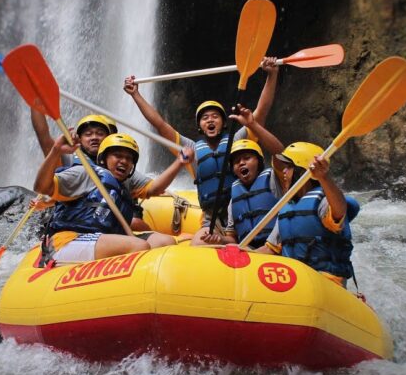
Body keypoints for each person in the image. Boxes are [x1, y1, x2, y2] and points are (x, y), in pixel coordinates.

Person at [123, 57, 283, 232]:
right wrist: (135, 95)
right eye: (205, 118)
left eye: (215, 116)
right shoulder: (190, 149)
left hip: (240, 210)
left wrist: (271, 76)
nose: (210, 120)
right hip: (210, 219)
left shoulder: (237, 140)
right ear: (200, 126)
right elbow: (160, 125)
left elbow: (260, 114)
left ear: (223, 122)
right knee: (199, 243)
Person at [34, 132, 193, 261]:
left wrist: (179, 162)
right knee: (138, 246)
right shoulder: (85, 173)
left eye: (129, 158)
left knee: (165, 242)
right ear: (103, 158)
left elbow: (155, 188)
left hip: (103, 238)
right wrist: (55, 150)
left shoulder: (125, 183)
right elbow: (42, 187)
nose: (124, 161)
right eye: (117, 155)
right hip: (67, 241)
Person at [30, 110, 152, 231]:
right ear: (80, 138)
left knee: (137, 223)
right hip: (82, 220)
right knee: (134, 223)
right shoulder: (71, 158)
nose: (95, 138)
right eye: (89, 134)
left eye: (101, 134)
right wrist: (36, 104)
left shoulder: (121, 165)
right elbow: (43, 136)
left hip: (114, 215)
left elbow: (151, 187)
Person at [260, 142, 360, 287]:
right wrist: (239, 251)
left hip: (327, 283)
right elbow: (270, 249)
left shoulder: (324, 200)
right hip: (296, 281)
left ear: (302, 172)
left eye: (288, 167)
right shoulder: (287, 209)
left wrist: (324, 178)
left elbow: (339, 211)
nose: (284, 173)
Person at [193, 106, 285, 247]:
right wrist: (220, 240)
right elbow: (232, 240)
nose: (241, 163)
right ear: (233, 170)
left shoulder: (274, 179)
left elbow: (281, 154)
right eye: (236, 162)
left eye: (247, 158)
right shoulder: (234, 198)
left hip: (274, 247)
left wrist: (252, 124)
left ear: (259, 162)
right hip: (249, 251)